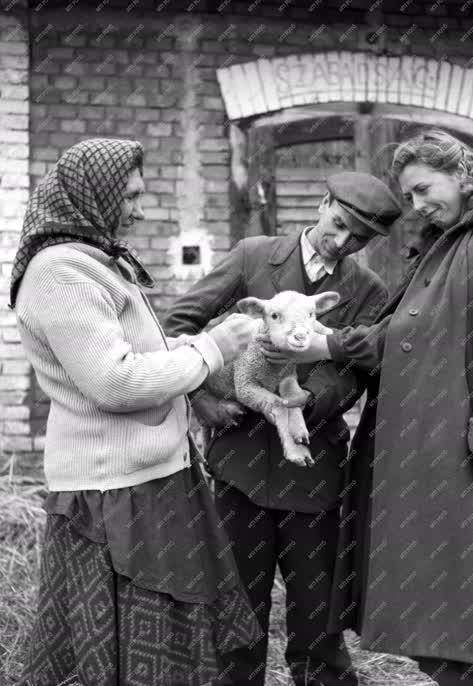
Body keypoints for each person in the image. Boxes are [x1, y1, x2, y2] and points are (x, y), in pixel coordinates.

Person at [260, 130, 473, 686]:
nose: (416, 205)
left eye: (423, 189)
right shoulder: (448, 241)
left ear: (462, 172)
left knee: (470, 590)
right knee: (440, 589)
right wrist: (334, 343)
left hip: (463, 447)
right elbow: (402, 333)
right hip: (422, 444)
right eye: (410, 196)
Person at [11, 138, 263, 686]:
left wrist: (201, 355)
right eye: (129, 196)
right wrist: (213, 347)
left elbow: (142, 360)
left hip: (152, 476)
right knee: (136, 641)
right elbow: (117, 382)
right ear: (92, 195)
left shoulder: (97, 263)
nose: (140, 209)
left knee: (169, 635)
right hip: (115, 490)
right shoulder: (62, 274)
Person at [162, 171, 401, 686]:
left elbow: (355, 375)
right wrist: (200, 396)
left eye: (358, 238)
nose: (341, 243)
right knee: (236, 610)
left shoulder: (367, 290)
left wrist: (308, 401)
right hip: (238, 465)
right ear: (321, 203)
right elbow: (179, 325)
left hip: (314, 476)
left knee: (318, 615)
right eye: (337, 225)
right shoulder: (252, 256)